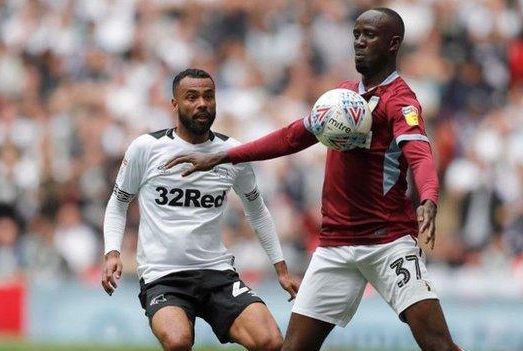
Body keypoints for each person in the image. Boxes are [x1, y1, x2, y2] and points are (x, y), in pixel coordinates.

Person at [165, 9, 463, 351]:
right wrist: (224, 155)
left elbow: (420, 155)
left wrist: (428, 197)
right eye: (357, 35)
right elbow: (293, 136)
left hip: (388, 241)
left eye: (370, 35)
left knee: (438, 345)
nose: (360, 43)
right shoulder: (342, 97)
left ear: (393, 43)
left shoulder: (400, 101)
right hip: (335, 244)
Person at [102, 68, 300, 351]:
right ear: (174, 104)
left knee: (270, 341)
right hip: (163, 275)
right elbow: (119, 202)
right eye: (191, 97)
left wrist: (280, 269)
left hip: (216, 272)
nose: (202, 103)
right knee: (178, 341)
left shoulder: (232, 153)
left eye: (208, 96)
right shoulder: (146, 148)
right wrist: (112, 252)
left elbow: (257, 210)